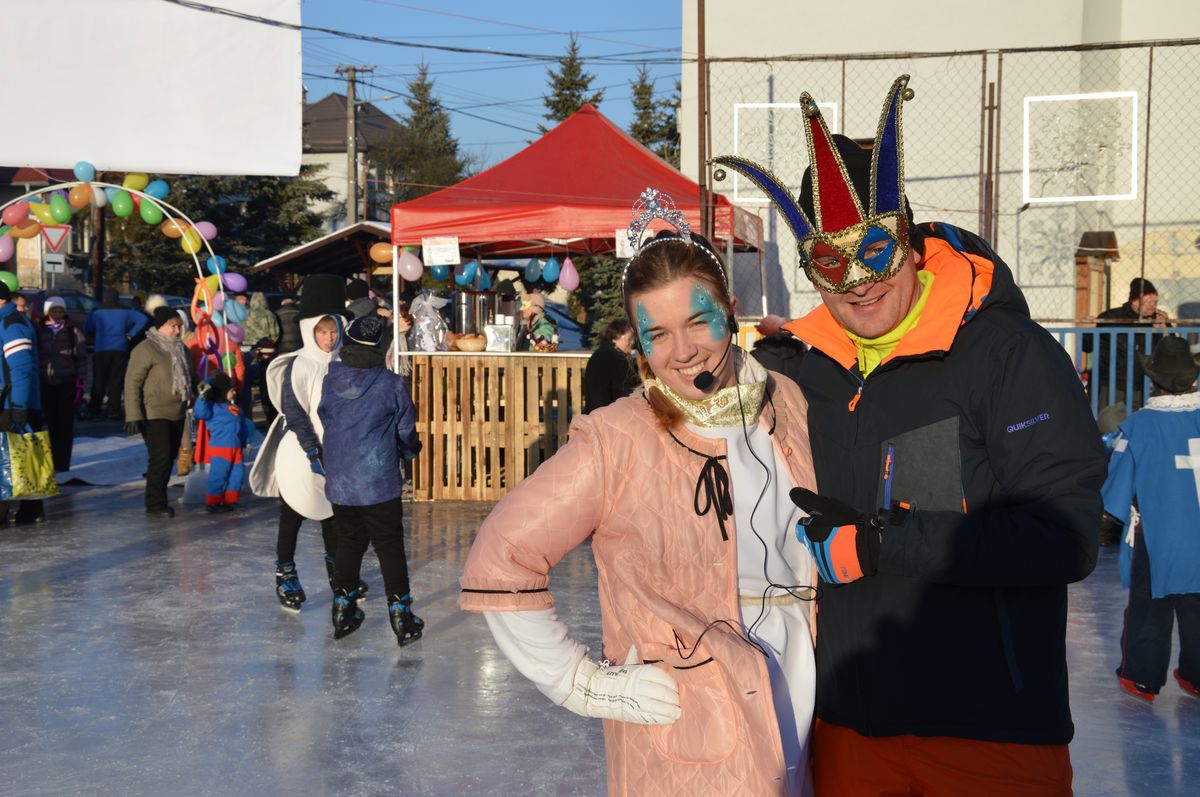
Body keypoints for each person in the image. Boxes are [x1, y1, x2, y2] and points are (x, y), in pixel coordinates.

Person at [716, 75, 1105, 795]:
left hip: (988, 737)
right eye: (830, 262)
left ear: (909, 239)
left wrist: (879, 544)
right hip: (845, 731)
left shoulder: (1005, 354)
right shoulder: (794, 370)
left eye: (874, 249)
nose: (858, 281)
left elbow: (1065, 534)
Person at [460, 189, 820, 795]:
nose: (683, 351)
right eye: (658, 334)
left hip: (804, 681)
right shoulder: (618, 438)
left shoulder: (786, 400)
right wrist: (581, 683)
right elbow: (502, 558)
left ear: (730, 310)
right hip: (695, 716)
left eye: (698, 322)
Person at [248, 275, 363, 612]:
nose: (329, 338)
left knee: (331, 514)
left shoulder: (343, 362)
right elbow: (295, 413)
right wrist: (313, 451)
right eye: (322, 332)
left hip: (336, 451)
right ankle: (285, 571)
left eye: (333, 331)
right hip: (300, 452)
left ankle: (337, 572)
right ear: (309, 330)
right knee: (292, 514)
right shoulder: (298, 365)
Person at [1100, 335, 1200, 703]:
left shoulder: (1139, 425)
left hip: (1159, 532)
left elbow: (1116, 490)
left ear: (1154, 379)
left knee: (1150, 603)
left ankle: (1142, 678)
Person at [318, 315, 423, 644]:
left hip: (341, 481)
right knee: (389, 546)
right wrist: (410, 449)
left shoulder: (330, 380)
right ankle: (401, 616)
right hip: (378, 483)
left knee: (349, 542)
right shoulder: (391, 384)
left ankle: (343, 610)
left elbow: (325, 417)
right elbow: (405, 429)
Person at [124, 307, 194, 519]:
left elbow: (191, 377)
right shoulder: (145, 349)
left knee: (168, 457)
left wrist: (203, 388)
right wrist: (133, 415)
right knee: (161, 457)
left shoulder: (182, 349)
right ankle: (155, 504)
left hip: (177, 412)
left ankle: (159, 498)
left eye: (179, 326)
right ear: (160, 326)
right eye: (173, 326)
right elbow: (132, 382)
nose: (177, 330)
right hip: (153, 412)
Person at [1083, 277, 1170, 410]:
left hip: (1144, 384)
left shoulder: (1158, 319)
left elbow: (1171, 349)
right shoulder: (1111, 317)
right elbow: (1087, 346)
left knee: (1139, 420)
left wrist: (1164, 331)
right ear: (1135, 301)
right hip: (1112, 384)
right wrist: (1089, 331)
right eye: (1149, 301)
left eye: (1156, 301)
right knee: (1108, 419)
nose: (1154, 305)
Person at [0, 282, 45, 525]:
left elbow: (21, 369)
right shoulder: (6, 321)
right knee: (23, 457)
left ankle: (22, 509)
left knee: (9, 460)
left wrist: (19, 406)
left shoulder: (12, 324)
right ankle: (31, 509)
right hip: (10, 400)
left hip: (12, 403)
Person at [36, 297, 88, 472]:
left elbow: (81, 358)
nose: (57, 314)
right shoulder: (39, 331)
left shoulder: (73, 332)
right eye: (54, 311)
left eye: (60, 311)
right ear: (47, 312)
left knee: (65, 425)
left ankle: (63, 463)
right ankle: (50, 461)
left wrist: (81, 380)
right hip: (46, 381)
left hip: (67, 381)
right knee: (50, 423)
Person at [193, 371, 254, 514]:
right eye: (231, 391)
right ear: (222, 392)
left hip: (236, 448)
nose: (234, 393)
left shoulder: (235, 409)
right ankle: (213, 502)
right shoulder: (212, 408)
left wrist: (246, 441)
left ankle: (231, 499)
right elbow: (200, 412)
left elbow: (243, 427)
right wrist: (202, 397)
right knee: (219, 475)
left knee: (237, 474)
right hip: (221, 448)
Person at [85, 287, 147, 420]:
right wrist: (131, 333)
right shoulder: (126, 311)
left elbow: (87, 327)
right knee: (116, 381)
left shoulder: (97, 311)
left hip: (101, 349)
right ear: (117, 298)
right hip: (120, 348)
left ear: (105, 298)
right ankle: (113, 411)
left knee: (99, 381)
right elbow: (143, 319)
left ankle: (94, 410)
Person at [582, 317, 638, 413]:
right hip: (608, 413)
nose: (632, 342)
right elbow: (624, 389)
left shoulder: (604, 354)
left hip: (598, 412)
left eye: (633, 339)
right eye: (629, 339)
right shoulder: (612, 358)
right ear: (615, 338)